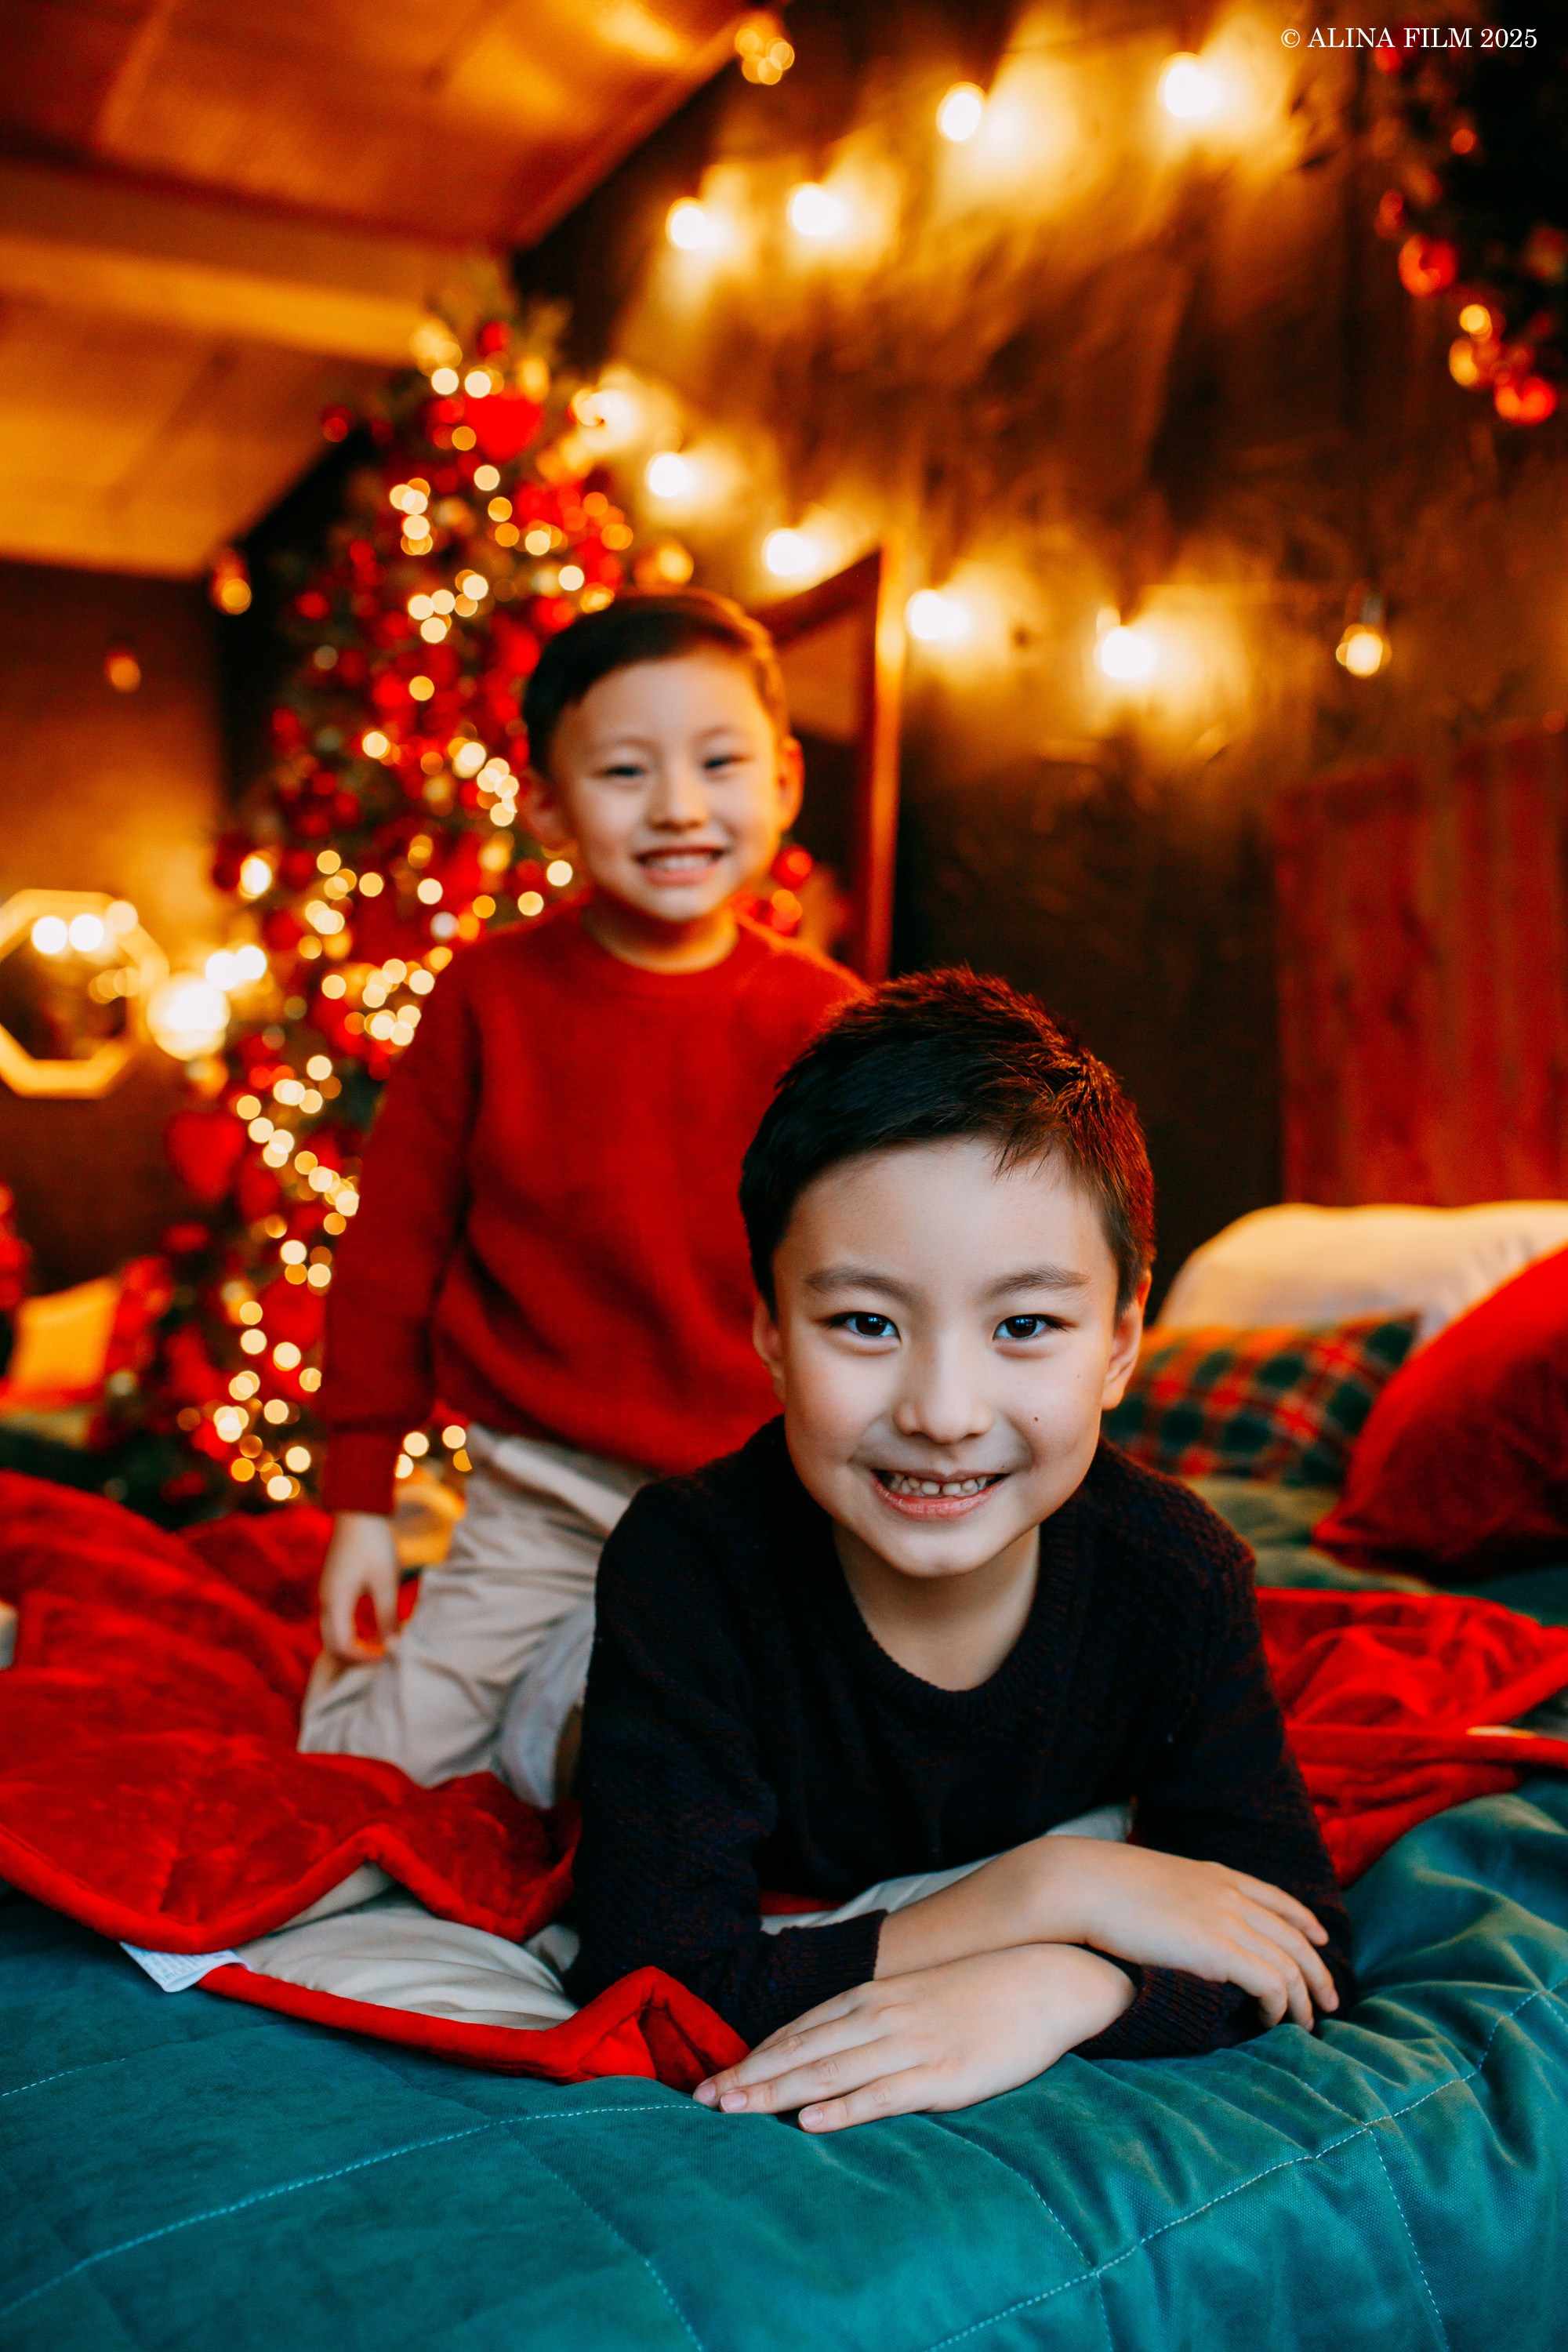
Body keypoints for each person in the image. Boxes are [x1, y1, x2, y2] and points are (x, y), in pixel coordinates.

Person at [566, 973, 1354, 2130]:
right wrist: (1048, 1890)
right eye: (866, 1324)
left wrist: (1066, 1984)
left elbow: (1288, 1935)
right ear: (771, 1334)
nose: (944, 1411)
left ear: (1124, 1342)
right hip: (615, 1692)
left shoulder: (1179, 1579)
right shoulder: (689, 1565)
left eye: (1025, 1326)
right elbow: (658, 1979)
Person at [300, 590, 862, 1790]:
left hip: (770, 1497)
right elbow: (392, 1248)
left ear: (782, 780)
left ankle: (604, 1688)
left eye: (719, 763)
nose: (677, 806)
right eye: (624, 771)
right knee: (365, 1779)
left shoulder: (831, 1020)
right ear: (549, 802)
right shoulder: (488, 1000)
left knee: (806, 1761)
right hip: (544, 1491)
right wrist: (360, 1503)